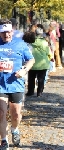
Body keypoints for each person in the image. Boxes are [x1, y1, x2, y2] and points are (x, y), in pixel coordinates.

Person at [0, 19, 35, 149]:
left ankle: (14, 129)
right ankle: (3, 140)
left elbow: (31, 60)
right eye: (3, 32)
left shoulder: (20, 44)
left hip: (16, 84)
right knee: (1, 113)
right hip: (0, 85)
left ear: (12, 31)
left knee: (15, 114)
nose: (6, 35)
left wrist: (24, 70)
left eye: (8, 32)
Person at [26, 25, 52, 97]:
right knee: (41, 79)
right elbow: (48, 52)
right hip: (42, 64)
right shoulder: (44, 42)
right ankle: (39, 93)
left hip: (32, 63)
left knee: (31, 79)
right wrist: (51, 57)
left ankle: (30, 92)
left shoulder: (31, 42)